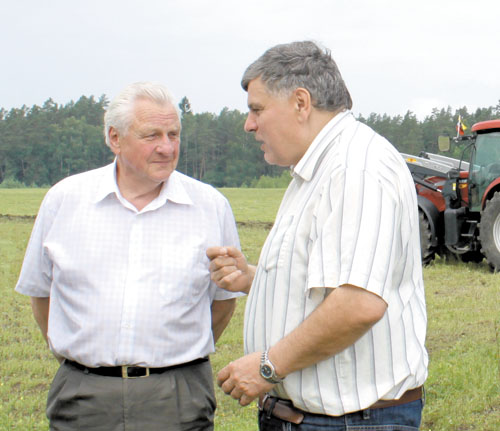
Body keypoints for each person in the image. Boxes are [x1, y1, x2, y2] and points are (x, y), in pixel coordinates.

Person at [207, 41, 428, 430]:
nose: (249, 124)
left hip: (350, 422)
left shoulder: (356, 169)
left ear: (300, 102)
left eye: (257, 109)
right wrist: (255, 280)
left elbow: (358, 303)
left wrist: (268, 366)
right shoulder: (321, 169)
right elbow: (329, 284)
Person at [16, 81, 241, 431]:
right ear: (115, 138)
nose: (166, 147)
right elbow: (41, 296)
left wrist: (169, 365)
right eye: (152, 135)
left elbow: (223, 304)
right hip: (83, 397)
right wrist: (86, 364)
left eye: (173, 134)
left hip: (177, 398)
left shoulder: (210, 206)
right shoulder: (65, 200)